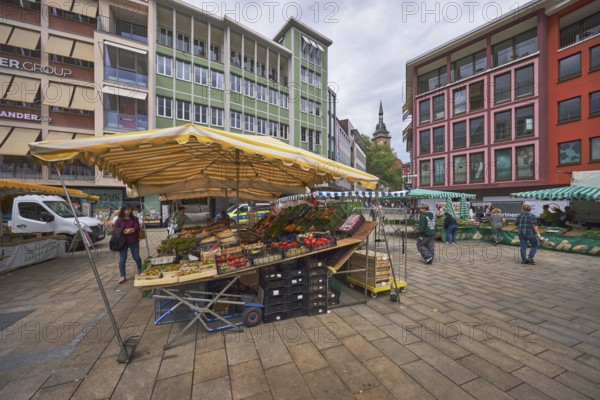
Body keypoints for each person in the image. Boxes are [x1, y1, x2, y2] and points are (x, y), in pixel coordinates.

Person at [114, 205, 142, 283]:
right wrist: (124, 231)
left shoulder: (135, 218)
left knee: (136, 256)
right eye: (126, 209)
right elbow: (116, 229)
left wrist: (130, 230)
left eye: (130, 209)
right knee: (122, 259)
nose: (128, 211)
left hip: (134, 240)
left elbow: (136, 227)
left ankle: (139, 269)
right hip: (123, 242)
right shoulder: (119, 220)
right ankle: (122, 275)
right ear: (123, 210)